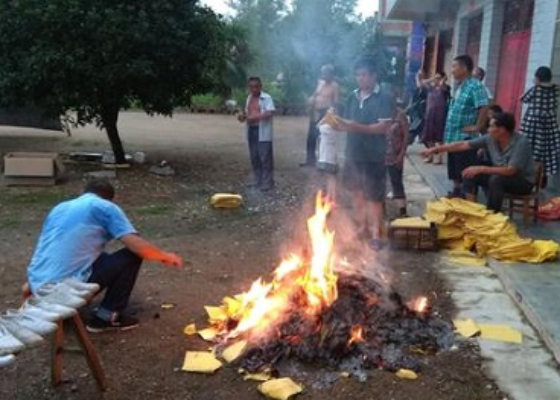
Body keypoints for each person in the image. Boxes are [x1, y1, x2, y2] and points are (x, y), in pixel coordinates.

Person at [26, 179, 184, 332]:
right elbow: (136, 245)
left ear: (85, 192)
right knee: (131, 256)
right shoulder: (104, 207)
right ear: (110, 198)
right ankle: (106, 317)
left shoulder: (60, 208)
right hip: (63, 293)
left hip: (39, 287)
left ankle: (61, 305)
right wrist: (165, 256)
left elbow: (53, 247)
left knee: (101, 257)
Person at [331, 58, 393, 250]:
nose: (360, 79)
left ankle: (377, 233)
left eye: (364, 74)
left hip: (374, 154)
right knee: (356, 193)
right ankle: (362, 227)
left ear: (374, 76)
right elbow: (348, 124)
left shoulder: (384, 97)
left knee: (374, 197)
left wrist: (353, 126)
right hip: (353, 153)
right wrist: (336, 124)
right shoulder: (352, 97)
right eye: (357, 75)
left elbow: (383, 127)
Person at [422, 112, 535, 212]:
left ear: (502, 130)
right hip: (499, 174)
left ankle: (492, 216)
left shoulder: (521, 142)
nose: (488, 129)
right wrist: (436, 149)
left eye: (491, 126)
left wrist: (481, 168)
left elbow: (511, 171)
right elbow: (463, 145)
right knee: (470, 173)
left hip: (522, 181)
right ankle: (473, 211)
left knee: (496, 179)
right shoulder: (490, 138)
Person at [444, 55, 490, 198]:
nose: (452, 71)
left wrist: (477, 127)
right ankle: (456, 194)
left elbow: (484, 107)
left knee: (466, 174)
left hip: (465, 139)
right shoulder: (461, 86)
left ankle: (467, 202)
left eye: (454, 67)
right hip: (453, 137)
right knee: (455, 171)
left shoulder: (475, 86)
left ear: (464, 68)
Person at [520, 66, 560, 181]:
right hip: (549, 123)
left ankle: (529, 174)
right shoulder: (556, 89)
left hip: (533, 123)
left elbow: (524, 99)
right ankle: (544, 173)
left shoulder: (535, 89)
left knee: (529, 148)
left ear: (537, 78)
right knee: (546, 149)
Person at [238, 77, 276, 191]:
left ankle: (268, 182)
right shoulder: (249, 98)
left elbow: (270, 112)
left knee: (265, 157)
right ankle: (257, 180)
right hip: (252, 129)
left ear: (260, 86)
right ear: (249, 87)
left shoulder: (266, 98)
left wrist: (254, 117)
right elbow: (247, 114)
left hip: (262, 130)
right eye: (251, 86)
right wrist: (242, 117)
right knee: (254, 156)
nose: (254, 89)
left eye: (256, 86)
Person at [301, 65, 340, 167]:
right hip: (315, 111)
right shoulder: (320, 83)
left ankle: (323, 161)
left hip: (326, 113)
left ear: (331, 74)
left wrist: (334, 116)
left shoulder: (334, 85)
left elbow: (336, 102)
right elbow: (315, 95)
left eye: (326, 73)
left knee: (323, 137)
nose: (324, 75)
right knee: (311, 137)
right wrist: (310, 103)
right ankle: (310, 160)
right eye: (322, 73)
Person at [416, 70, 450, 164]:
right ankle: (430, 155)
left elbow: (442, 86)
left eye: (438, 78)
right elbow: (420, 84)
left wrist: (442, 80)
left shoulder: (445, 88)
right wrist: (432, 79)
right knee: (428, 137)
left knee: (439, 138)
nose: (436, 80)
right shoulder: (430, 88)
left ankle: (439, 157)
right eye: (435, 78)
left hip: (440, 116)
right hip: (429, 115)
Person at [386, 108, 410, 217]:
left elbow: (406, 136)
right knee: (378, 183)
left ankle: (402, 212)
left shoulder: (400, 114)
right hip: (380, 154)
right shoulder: (378, 111)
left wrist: (402, 153)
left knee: (397, 182)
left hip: (395, 155)